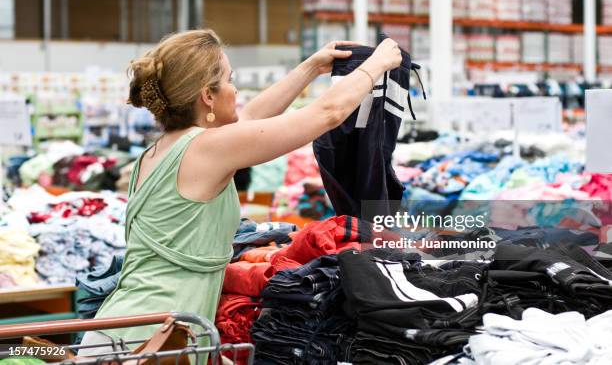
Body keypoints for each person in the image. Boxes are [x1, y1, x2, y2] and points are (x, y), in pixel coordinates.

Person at [78, 29, 402, 355]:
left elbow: (251, 118)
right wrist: (376, 66)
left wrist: (311, 68)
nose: (235, 90)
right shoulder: (207, 148)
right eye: (230, 80)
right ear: (208, 96)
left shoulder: (158, 153)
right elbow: (325, 114)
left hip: (124, 329)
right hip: (152, 340)